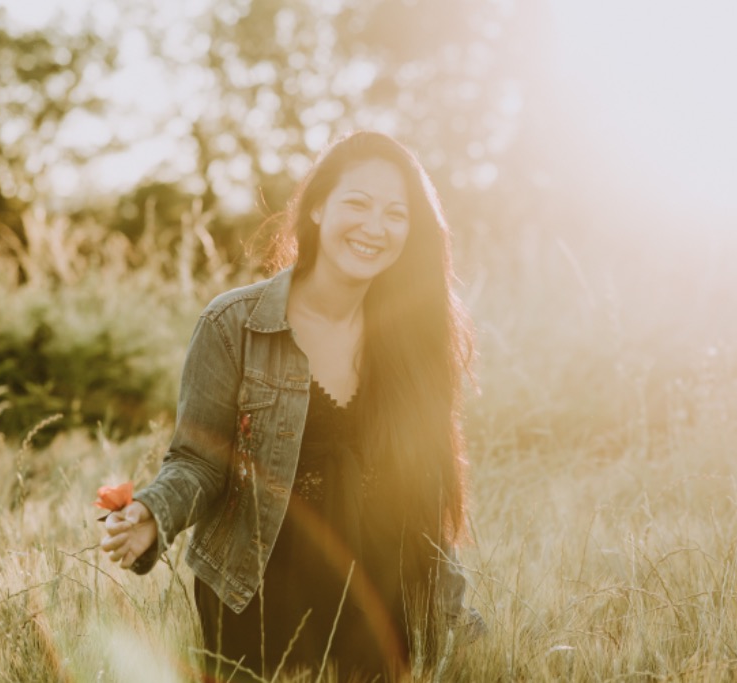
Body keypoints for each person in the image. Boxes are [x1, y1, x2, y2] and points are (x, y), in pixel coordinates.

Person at [99, 131, 480, 681]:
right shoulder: (234, 325)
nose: (375, 227)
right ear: (319, 208)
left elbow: (427, 493)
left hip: (379, 594)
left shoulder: (415, 341)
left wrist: (452, 611)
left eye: (396, 213)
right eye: (358, 203)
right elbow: (199, 459)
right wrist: (153, 516)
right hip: (260, 588)